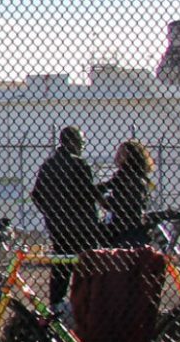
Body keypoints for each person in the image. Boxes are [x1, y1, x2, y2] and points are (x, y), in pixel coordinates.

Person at [29, 126, 101, 306]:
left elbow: (36, 194)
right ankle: (86, 305)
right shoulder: (80, 164)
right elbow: (88, 194)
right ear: (72, 142)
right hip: (82, 226)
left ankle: (56, 307)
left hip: (58, 226)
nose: (82, 147)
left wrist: (50, 213)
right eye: (81, 143)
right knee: (86, 267)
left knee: (60, 266)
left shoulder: (48, 164)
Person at [100, 139, 155, 248]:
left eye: (122, 153)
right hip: (126, 224)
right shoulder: (124, 175)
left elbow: (125, 204)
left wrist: (104, 201)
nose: (118, 156)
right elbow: (108, 186)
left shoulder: (131, 177)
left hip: (128, 227)